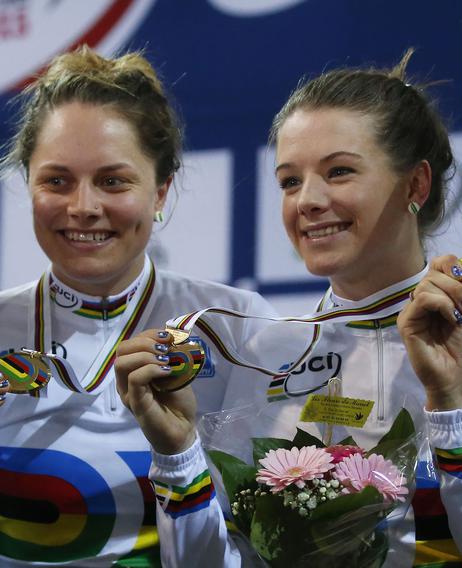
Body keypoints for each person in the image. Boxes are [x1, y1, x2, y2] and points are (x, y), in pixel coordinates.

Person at [0, 46, 275, 567]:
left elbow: (262, 555)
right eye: (57, 180)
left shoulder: (239, 330)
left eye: (113, 181)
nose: (83, 207)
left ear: (160, 192)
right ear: (27, 184)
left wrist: (181, 457)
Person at [127, 51, 462, 566]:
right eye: (289, 180)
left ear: (415, 185)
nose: (307, 200)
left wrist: (450, 406)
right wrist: (177, 457)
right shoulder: (266, 352)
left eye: (340, 171)